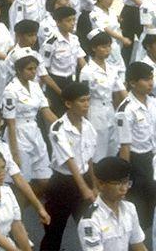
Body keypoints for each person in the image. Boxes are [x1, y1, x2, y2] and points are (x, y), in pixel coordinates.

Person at [40, 82, 98, 250]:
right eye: (82, 101)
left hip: (84, 178)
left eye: (88, 100)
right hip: (63, 184)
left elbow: (89, 160)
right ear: (68, 103)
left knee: (91, 229)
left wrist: (93, 186)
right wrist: (85, 189)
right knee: (54, 232)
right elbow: (70, 162)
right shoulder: (58, 129)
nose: (86, 105)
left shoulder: (88, 126)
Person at [2, 48, 57, 200]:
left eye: (35, 69)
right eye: (29, 69)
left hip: (35, 132)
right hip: (18, 135)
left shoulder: (35, 86)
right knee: (21, 184)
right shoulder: (10, 91)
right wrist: (14, 153)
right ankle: (17, 219)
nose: (33, 72)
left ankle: (30, 207)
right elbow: (10, 123)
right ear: (19, 70)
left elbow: (46, 111)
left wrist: (64, 125)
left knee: (45, 181)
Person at [114, 61, 156, 229]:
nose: (150, 83)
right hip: (137, 163)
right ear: (132, 83)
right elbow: (125, 146)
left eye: (151, 78)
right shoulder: (125, 110)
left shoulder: (153, 102)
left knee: (152, 210)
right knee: (138, 213)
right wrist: (124, 178)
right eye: (146, 79)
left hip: (153, 158)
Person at [77, 157, 147, 251]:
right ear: (101, 184)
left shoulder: (130, 208)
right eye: (118, 183)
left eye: (127, 182)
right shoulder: (90, 221)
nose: (124, 189)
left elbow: (138, 245)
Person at [80, 29, 126, 162]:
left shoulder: (111, 69)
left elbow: (121, 91)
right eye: (103, 46)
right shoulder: (87, 71)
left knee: (112, 147)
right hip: (95, 111)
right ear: (94, 48)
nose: (107, 49)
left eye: (109, 46)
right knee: (98, 151)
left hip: (110, 110)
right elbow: (84, 96)